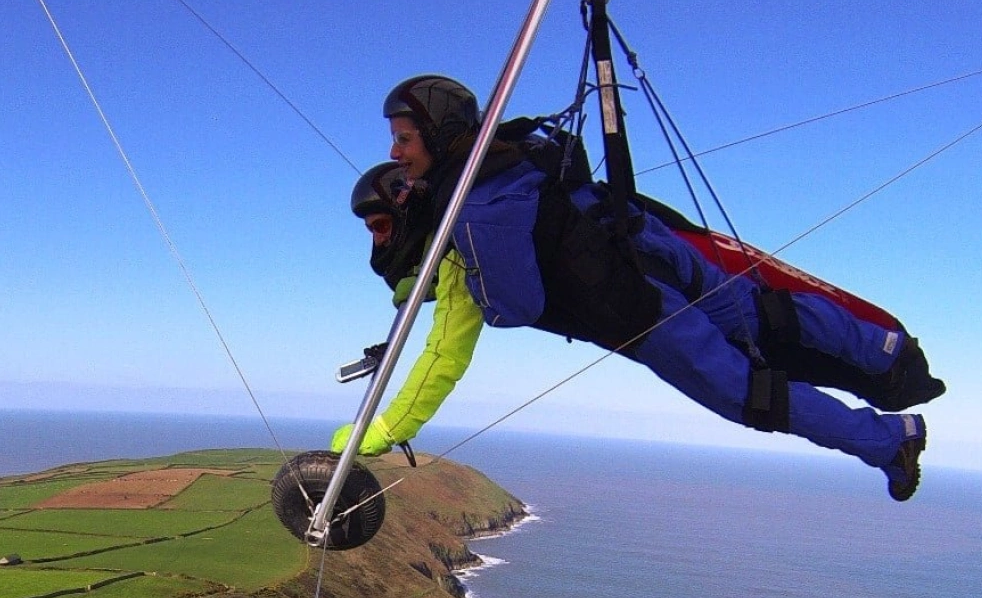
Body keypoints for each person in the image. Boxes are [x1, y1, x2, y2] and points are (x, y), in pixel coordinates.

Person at [333, 75, 940, 500]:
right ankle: (883, 349)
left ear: (438, 136)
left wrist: (387, 430)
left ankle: (888, 441)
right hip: (654, 248)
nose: (396, 150)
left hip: (643, 312)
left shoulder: (474, 214)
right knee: (765, 315)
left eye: (405, 139)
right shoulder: (510, 156)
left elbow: (510, 310)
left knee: (750, 396)